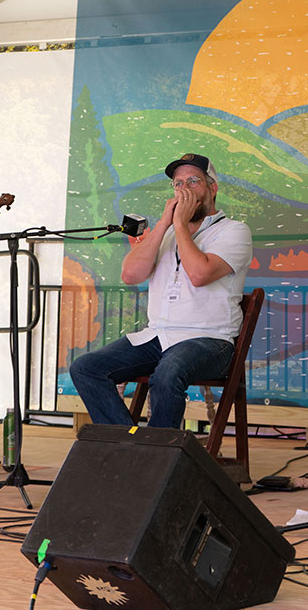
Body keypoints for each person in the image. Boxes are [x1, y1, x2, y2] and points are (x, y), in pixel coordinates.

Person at [69, 153, 252, 431]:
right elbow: (131, 275)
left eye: (193, 181)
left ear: (212, 188)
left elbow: (199, 274)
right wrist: (165, 224)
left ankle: (159, 455)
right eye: (178, 184)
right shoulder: (165, 234)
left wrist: (179, 224)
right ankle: (131, 445)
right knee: (86, 367)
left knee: (168, 372)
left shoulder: (234, 231)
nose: (184, 189)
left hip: (210, 340)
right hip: (158, 336)